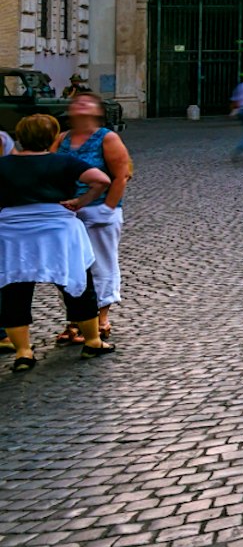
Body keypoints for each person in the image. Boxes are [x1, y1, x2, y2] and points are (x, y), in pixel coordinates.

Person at [2, 114, 114, 370]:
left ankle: (23, 353)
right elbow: (102, 180)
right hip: (58, 230)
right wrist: (81, 202)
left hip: (14, 233)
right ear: (52, 137)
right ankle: (92, 341)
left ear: (20, 136)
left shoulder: (3, 164)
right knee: (78, 285)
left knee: (13, 291)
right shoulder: (64, 161)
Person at [52, 91, 132, 344]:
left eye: (88, 101)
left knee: (101, 263)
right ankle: (75, 320)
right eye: (77, 101)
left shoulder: (107, 138)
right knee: (70, 267)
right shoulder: (62, 139)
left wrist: (108, 209)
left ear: (98, 111)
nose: (81, 103)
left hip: (99, 209)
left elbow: (122, 175)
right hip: (66, 212)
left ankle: (102, 318)